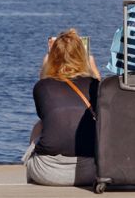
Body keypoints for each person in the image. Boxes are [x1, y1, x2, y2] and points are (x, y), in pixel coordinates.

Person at [23, 28, 101, 186]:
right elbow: (102, 107)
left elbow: (45, 114)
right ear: (82, 57)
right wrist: (94, 71)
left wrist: (45, 68)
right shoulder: (96, 86)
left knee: (40, 125)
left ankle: (31, 177)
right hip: (91, 171)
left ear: (53, 57)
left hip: (46, 172)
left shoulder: (42, 86)